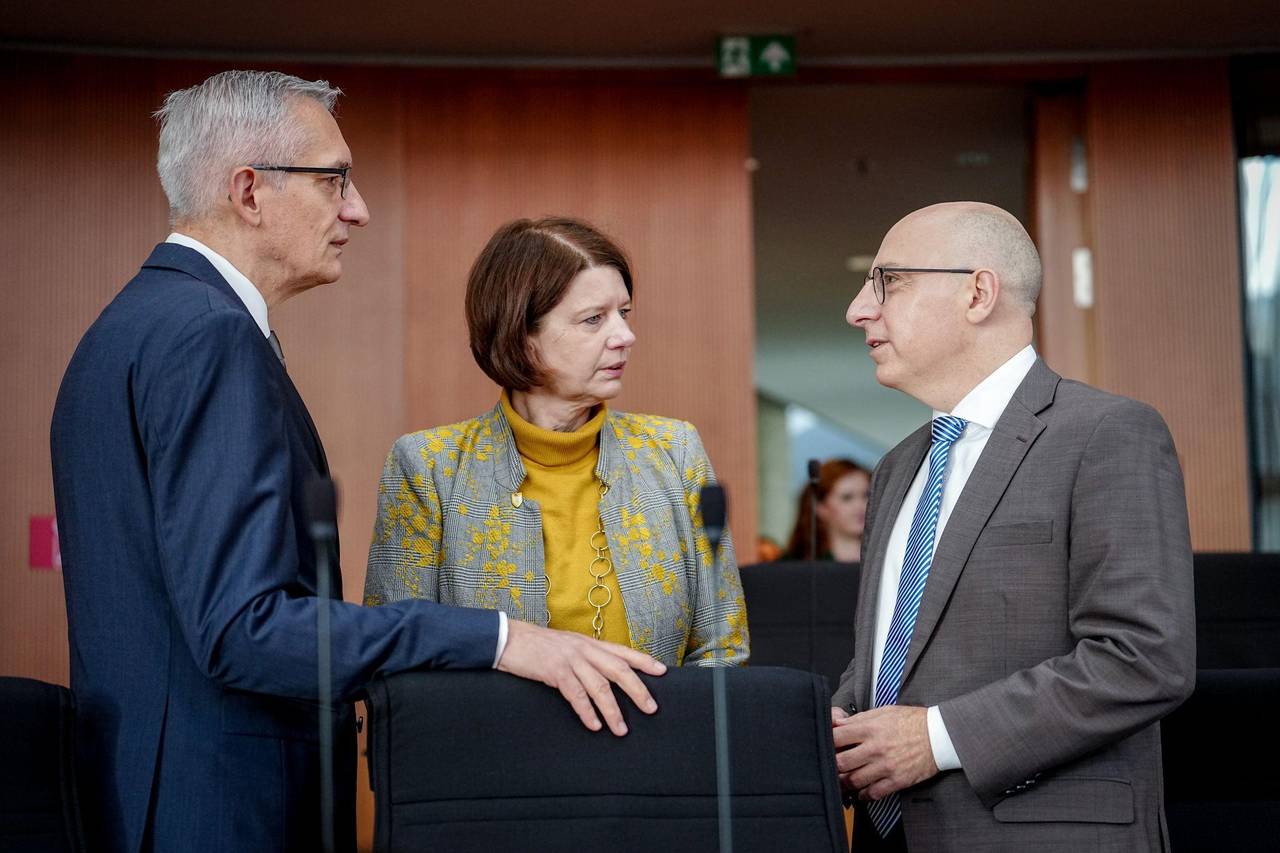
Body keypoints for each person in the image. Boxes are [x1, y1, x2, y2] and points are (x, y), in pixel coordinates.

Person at [49, 71, 663, 853]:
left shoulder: (133, 324)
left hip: (152, 798)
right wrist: (503, 638)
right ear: (249, 191)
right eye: (334, 179)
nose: (357, 209)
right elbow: (244, 627)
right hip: (222, 808)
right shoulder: (208, 335)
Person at [829, 202, 1195, 851]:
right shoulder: (897, 468)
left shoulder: (1108, 434)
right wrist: (844, 719)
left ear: (978, 293)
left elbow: (1143, 657)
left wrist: (934, 739)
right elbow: (898, 652)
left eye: (888, 282)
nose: (859, 309)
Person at [364, 217, 748, 668]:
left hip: (660, 715)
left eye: (624, 313)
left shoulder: (674, 451)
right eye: (593, 319)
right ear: (521, 335)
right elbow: (401, 653)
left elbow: (723, 649)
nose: (625, 336)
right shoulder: (429, 467)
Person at [784, 458, 871, 562]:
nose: (861, 506)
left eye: (867, 495)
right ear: (820, 507)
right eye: (847, 498)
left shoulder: (886, 559)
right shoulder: (793, 564)